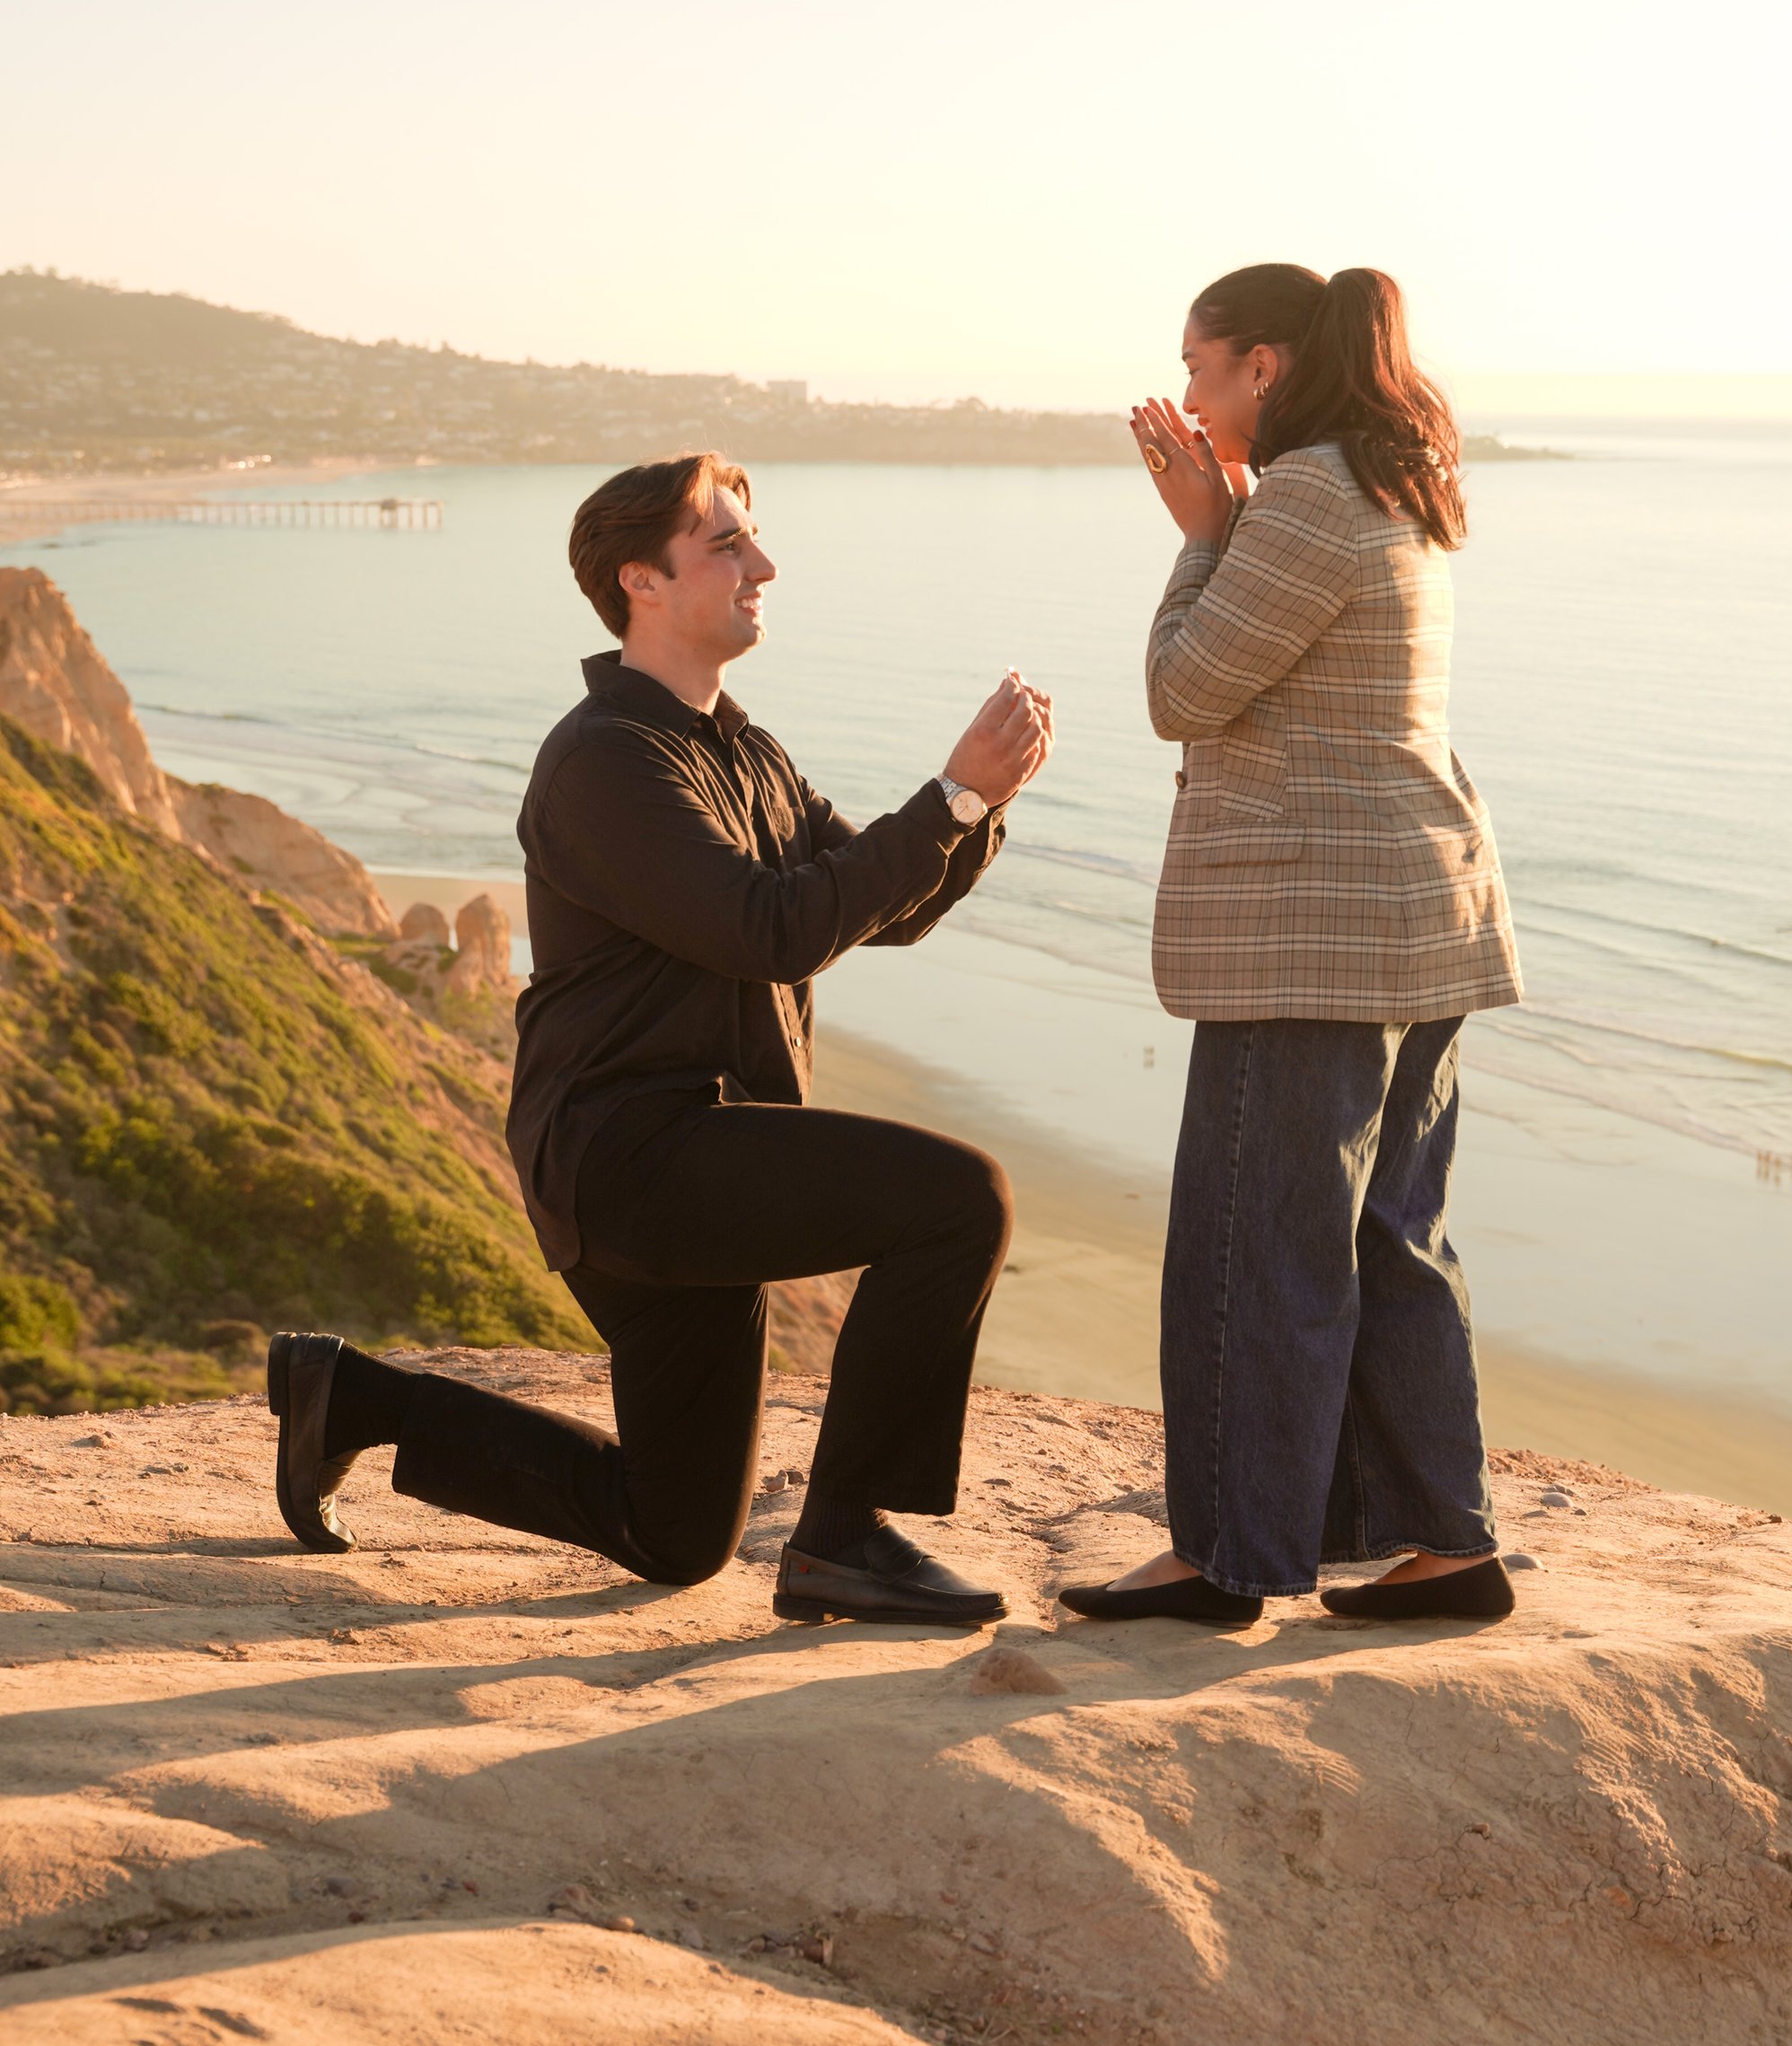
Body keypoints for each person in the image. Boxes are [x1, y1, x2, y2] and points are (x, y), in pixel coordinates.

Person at [267, 450, 1052, 1628]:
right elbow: (771, 929)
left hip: (707, 1157)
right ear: (641, 579)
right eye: (728, 543)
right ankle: (846, 1538)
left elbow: (879, 908)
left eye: (754, 539)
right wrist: (944, 797)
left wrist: (980, 803)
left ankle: (352, 1399)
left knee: (675, 1530)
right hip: (629, 1156)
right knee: (961, 1198)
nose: (762, 565)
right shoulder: (604, 761)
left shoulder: (744, 749)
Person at [1060, 265, 1522, 1629]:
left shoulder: (1312, 493)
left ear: (1264, 366)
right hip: (1417, 915)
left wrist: (1205, 532)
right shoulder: (1389, 483)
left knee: (1256, 1247)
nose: (1188, 397)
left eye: (1199, 367)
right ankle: (1447, 1543)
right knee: (1388, 1239)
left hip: (1314, 933)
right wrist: (1233, 515)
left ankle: (1230, 1557)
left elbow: (1183, 688)